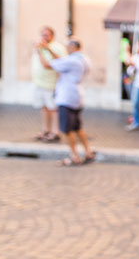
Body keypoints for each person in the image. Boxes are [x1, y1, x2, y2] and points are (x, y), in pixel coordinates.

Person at [35, 38, 95, 166]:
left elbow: (47, 65)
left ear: (73, 47)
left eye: (68, 47)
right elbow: (60, 60)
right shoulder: (84, 59)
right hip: (77, 96)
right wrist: (48, 48)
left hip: (66, 98)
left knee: (67, 130)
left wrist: (39, 51)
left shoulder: (71, 61)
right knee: (78, 127)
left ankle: (74, 156)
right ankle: (88, 152)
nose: (66, 49)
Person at [31, 26, 67, 142]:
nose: (44, 37)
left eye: (46, 35)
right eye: (42, 35)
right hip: (39, 83)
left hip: (51, 84)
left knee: (53, 108)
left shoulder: (57, 47)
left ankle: (56, 132)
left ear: (52, 36)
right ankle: (45, 130)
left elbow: (58, 62)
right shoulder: (40, 47)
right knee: (44, 107)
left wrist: (44, 49)